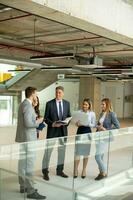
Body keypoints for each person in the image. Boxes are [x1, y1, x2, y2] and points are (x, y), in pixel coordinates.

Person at [15, 87, 46, 199]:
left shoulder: (24, 104)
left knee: (22, 163)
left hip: (24, 138)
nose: (36, 95)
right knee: (29, 164)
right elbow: (29, 123)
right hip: (29, 139)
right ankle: (31, 191)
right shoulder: (27, 106)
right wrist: (39, 121)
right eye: (36, 93)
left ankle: (23, 186)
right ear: (32, 94)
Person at [42, 86, 71, 181]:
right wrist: (53, 124)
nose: (58, 94)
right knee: (48, 152)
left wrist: (66, 122)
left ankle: (60, 170)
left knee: (62, 152)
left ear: (63, 93)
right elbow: (46, 118)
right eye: (56, 92)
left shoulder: (67, 103)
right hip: (52, 130)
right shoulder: (49, 104)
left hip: (63, 131)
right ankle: (45, 172)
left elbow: (69, 116)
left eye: (59, 92)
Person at [95, 98, 120, 181]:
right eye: (101, 104)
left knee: (97, 156)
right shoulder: (101, 113)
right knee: (101, 156)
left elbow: (117, 126)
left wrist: (106, 129)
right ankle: (101, 173)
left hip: (104, 137)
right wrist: (98, 125)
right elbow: (99, 124)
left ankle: (104, 172)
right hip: (98, 136)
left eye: (103, 104)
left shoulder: (111, 114)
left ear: (107, 105)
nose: (101, 105)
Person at [74, 98, 96, 178]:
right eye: (83, 104)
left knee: (86, 153)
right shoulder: (79, 112)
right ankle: (75, 170)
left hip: (87, 132)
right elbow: (76, 123)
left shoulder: (92, 114)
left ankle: (84, 170)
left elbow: (94, 125)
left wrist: (87, 123)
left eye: (86, 104)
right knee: (77, 152)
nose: (84, 106)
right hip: (80, 131)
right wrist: (77, 123)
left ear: (89, 105)